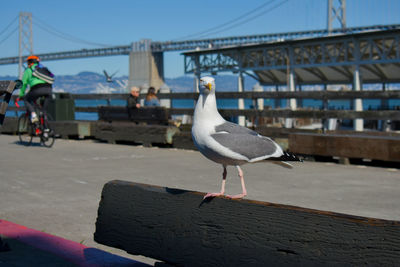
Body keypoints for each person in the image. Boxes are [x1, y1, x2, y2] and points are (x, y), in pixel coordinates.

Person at [17, 55, 53, 123]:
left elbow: (24, 84)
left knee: (27, 99)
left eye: (27, 63)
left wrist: (21, 95)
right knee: (43, 111)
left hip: (37, 89)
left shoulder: (28, 70)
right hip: (49, 89)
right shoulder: (43, 69)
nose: (27, 64)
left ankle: (33, 115)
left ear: (30, 63)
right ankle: (46, 129)